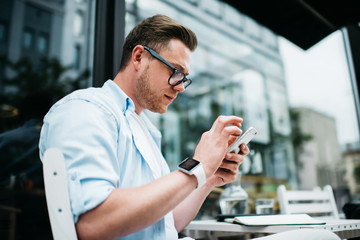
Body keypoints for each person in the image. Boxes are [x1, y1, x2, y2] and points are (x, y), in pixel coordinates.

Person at [39, 14, 249, 240]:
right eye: (175, 71)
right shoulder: (85, 110)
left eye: (184, 78)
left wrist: (208, 178)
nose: (181, 88)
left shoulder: (148, 131)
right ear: (139, 57)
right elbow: (93, 223)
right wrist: (199, 166)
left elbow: (167, 222)